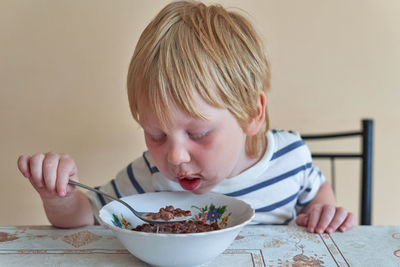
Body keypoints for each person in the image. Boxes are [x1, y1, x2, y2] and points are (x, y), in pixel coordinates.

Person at [17, 0, 355, 233]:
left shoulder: (290, 157)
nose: (174, 157)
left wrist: (323, 212)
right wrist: (58, 196)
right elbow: (87, 216)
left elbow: (316, 191)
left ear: (252, 113)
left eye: (197, 133)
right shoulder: (150, 174)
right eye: (156, 135)